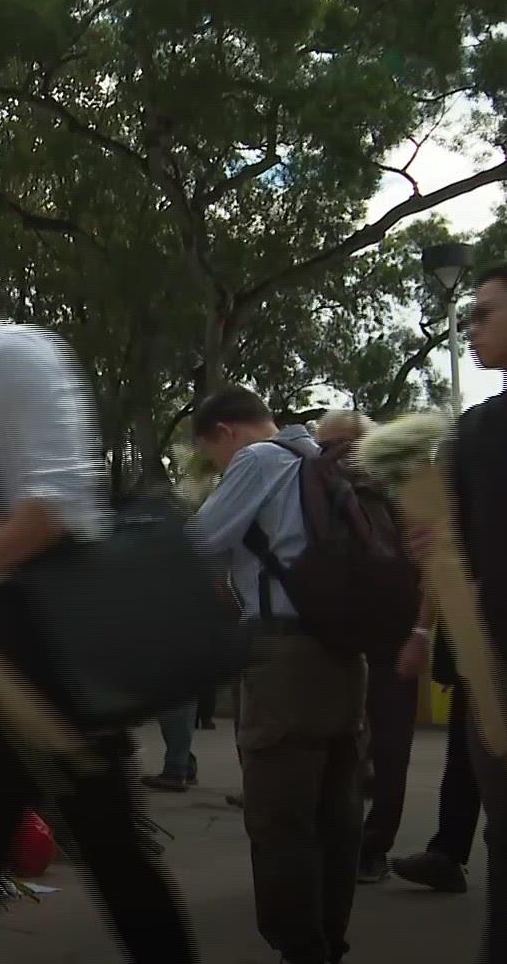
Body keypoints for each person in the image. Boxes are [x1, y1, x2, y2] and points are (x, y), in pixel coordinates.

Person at [0, 238, 197, 964]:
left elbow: (56, 502)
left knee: (32, 849)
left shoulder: (12, 356)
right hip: (16, 632)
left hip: (43, 634)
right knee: (5, 848)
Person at [407, 258, 507, 961]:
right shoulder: (478, 432)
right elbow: (445, 540)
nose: (471, 327)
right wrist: (427, 550)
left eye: (485, 312)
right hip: (500, 677)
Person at [190, 387, 364, 964]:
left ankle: (300, 948)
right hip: (342, 652)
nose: (218, 466)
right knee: (335, 809)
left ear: (225, 432)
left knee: (280, 815)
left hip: (284, 657)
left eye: (211, 454)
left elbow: (197, 545)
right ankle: (328, 940)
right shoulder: (319, 458)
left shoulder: (259, 459)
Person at [315, 409, 434, 884]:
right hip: (338, 639)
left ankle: (373, 845)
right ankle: (337, 841)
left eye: (342, 444)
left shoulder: (404, 494)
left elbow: (432, 567)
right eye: (325, 446)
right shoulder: (319, 495)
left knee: (390, 748)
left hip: (393, 638)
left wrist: (421, 633)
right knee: (334, 746)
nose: (334, 455)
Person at [390, 627, 480, 894]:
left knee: (466, 759)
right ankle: (447, 855)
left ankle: (448, 855)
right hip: (482, 644)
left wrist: (421, 634)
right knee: (464, 757)